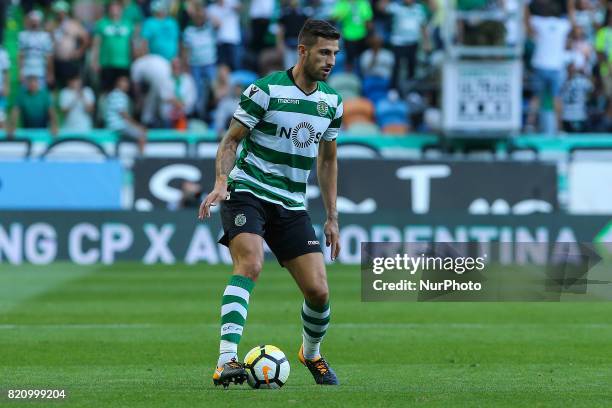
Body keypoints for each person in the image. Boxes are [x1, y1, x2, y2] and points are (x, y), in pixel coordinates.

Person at [199, 19, 343, 388]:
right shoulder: (265, 91)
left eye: (335, 54)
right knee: (250, 263)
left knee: (319, 291)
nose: (330, 60)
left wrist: (332, 217)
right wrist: (219, 183)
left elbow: (327, 161)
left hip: (292, 203)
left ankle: (311, 354)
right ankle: (226, 360)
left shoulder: (331, 103)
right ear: (303, 50)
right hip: (247, 189)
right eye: (324, 52)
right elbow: (231, 141)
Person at [182, 4, 218, 120]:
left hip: (210, 64)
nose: (199, 19)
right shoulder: (188, 31)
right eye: (196, 17)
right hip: (195, 65)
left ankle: (213, 112)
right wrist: (186, 67)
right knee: (197, 92)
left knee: (214, 89)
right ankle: (199, 115)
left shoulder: (210, 28)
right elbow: (185, 51)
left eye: (200, 16)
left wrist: (205, 13)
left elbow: (218, 23)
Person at [91, 1, 135, 92]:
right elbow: (96, 44)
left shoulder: (128, 24)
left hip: (124, 63)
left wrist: (133, 60)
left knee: (124, 89)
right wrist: (95, 61)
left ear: (121, 9)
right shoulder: (102, 23)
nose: (114, 10)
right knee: (106, 89)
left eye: (117, 8)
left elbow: (132, 44)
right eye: (112, 8)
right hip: (107, 63)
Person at [49, 0, 89, 89]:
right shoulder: (51, 25)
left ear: (66, 12)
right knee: (54, 87)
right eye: (58, 12)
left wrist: (79, 51)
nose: (60, 14)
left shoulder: (73, 24)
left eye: (62, 12)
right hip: (55, 61)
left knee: (70, 86)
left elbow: (86, 38)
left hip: (69, 61)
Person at [105, 76, 147, 151]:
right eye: (124, 82)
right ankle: (142, 158)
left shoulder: (115, 94)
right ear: (118, 83)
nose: (127, 84)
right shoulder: (118, 95)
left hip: (117, 126)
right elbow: (123, 114)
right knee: (141, 134)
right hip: (118, 126)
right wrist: (137, 126)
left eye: (127, 82)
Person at [19, 10, 54, 88]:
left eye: (36, 21)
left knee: (40, 91)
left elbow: (49, 56)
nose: (34, 23)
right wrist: (20, 72)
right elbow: (21, 55)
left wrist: (50, 73)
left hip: (40, 69)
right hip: (27, 69)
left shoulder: (45, 36)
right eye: (33, 21)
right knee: (25, 91)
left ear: (40, 22)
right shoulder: (23, 35)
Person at [159, 58, 197, 128]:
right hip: (169, 114)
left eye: (178, 67)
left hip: (185, 113)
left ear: (181, 67)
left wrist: (181, 105)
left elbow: (192, 98)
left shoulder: (188, 79)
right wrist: (175, 102)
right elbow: (163, 97)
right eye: (174, 67)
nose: (176, 69)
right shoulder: (165, 80)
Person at [0, 46, 10, 129]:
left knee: (1, 118)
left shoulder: (2, 52)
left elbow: (6, 71)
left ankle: (3, 140)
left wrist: (6, 86)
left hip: (0, 91)